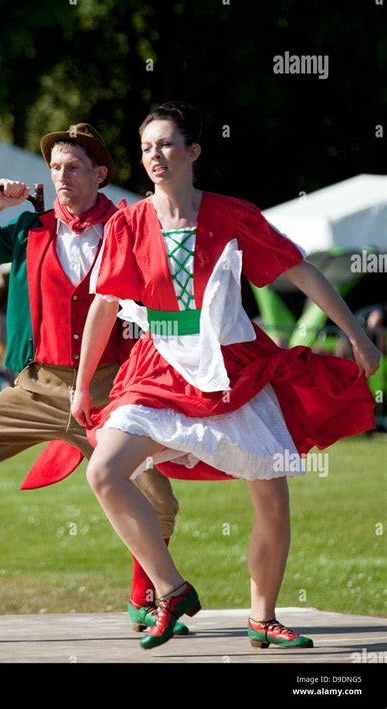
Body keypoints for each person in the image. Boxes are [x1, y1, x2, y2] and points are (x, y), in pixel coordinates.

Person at [71, 101, 381, 651]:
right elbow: (104, 305)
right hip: (159, 365)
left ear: (193, 151)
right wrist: (81, 386)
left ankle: (264, 617)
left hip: (231, 363)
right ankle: (171, 590)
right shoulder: (127, 221)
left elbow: (300, 269)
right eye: (146, 148)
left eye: (166, 144)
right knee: (104, 471)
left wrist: (355, 333)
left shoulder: (233, 214)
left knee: (273, 495)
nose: (155, 156)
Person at [0, 123, 184, 637]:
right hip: (37, 386)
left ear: (100, 174)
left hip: (112, 391)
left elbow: (168, 297)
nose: (61, 176)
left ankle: (144, 599)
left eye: (73, 167)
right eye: (55, 168)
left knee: (160, 501)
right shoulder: (31, 228)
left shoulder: (133, 225)